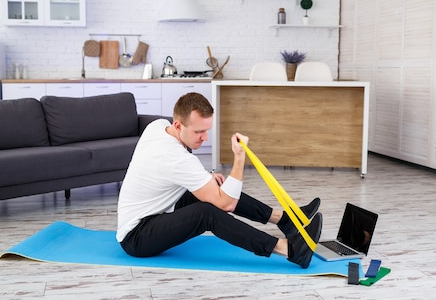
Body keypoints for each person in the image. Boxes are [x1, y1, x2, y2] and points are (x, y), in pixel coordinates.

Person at [116, 92, 323, 268]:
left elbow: (171, 168)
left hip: (161, 208)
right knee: (207, 213)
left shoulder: (159, 126)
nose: (205, 137)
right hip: (137, 236)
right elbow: (227, 203)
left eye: (207, 130)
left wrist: (206, 177)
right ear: (178, 125)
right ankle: (290, 249)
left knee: (215, 186)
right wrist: (240, 157)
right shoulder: (175, 157)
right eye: (199, 131)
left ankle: (285, 220)